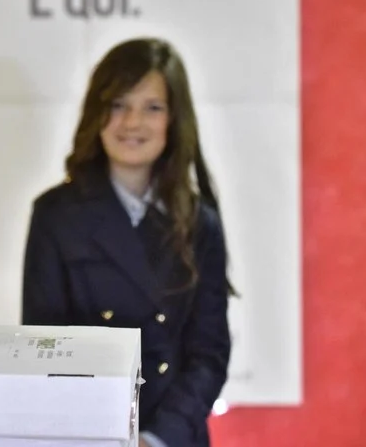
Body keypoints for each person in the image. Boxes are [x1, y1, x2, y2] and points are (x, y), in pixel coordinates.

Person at [21, 38, 231, 447]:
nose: (133, 122)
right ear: (96, 113)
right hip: (86, 433)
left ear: (174, 119)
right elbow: (43, 348)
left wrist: (154, 438)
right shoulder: (55, 215)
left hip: (173, 436)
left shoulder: (199, 221)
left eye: (152, 107)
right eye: (118, 104)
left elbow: (209, 355)